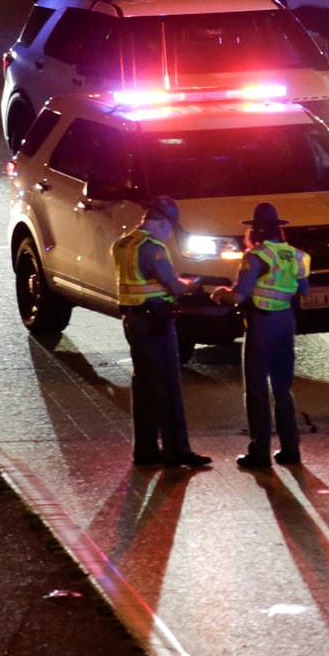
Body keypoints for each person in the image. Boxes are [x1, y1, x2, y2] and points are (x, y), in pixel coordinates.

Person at [112, 196, 211, 468]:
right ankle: (177, 450)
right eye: (170, 227)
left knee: (143, 384)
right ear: (161, 222)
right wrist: (192, 284)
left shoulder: (122, 243)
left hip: (133, 319)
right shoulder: (152, 247)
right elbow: (173, 286)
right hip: (155, 320)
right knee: (168, 383)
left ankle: (144, 450)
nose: (169, 234)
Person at [213, 203, 310, 469]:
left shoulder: (255, 256)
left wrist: (221, 293)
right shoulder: (297, 255)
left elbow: (239, 296)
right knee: (283, 389)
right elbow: (304, 289)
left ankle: (259, 451)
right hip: (285, 323)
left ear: (254, 231)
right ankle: (291, 449)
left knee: (256, 389)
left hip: (261, 325)